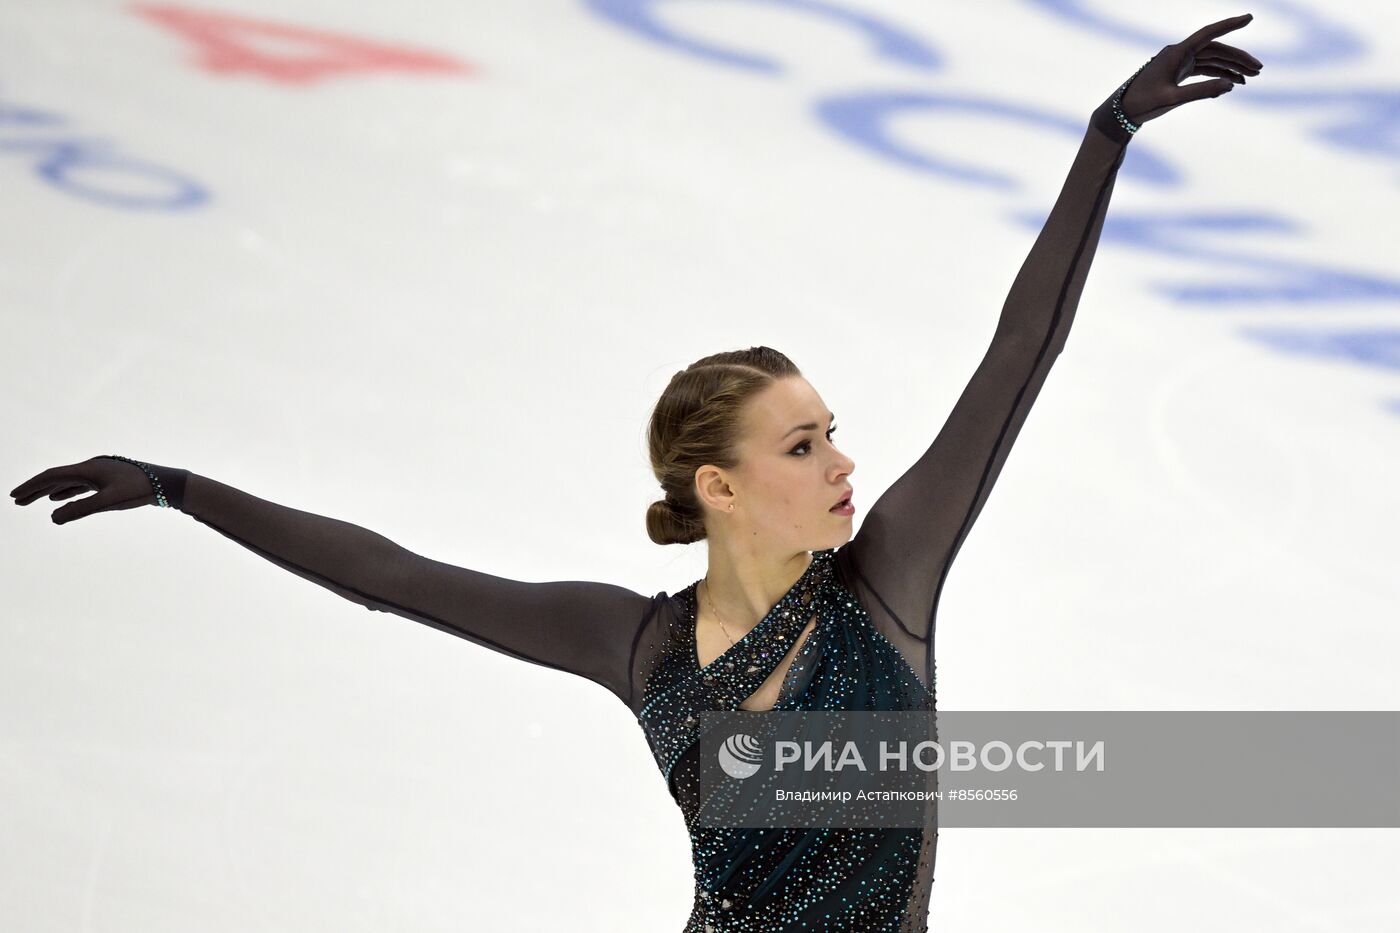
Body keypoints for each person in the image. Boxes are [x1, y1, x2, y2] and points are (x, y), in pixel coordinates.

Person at [10, 15, 1261, 932]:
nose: (843, 464)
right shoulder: (637, 645)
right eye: (802, 445)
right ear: (719, 487)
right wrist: (179, 488)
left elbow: (1019, 354)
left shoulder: (889, 580)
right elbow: (390, 575)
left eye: (831, 432)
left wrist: (1105, 135)